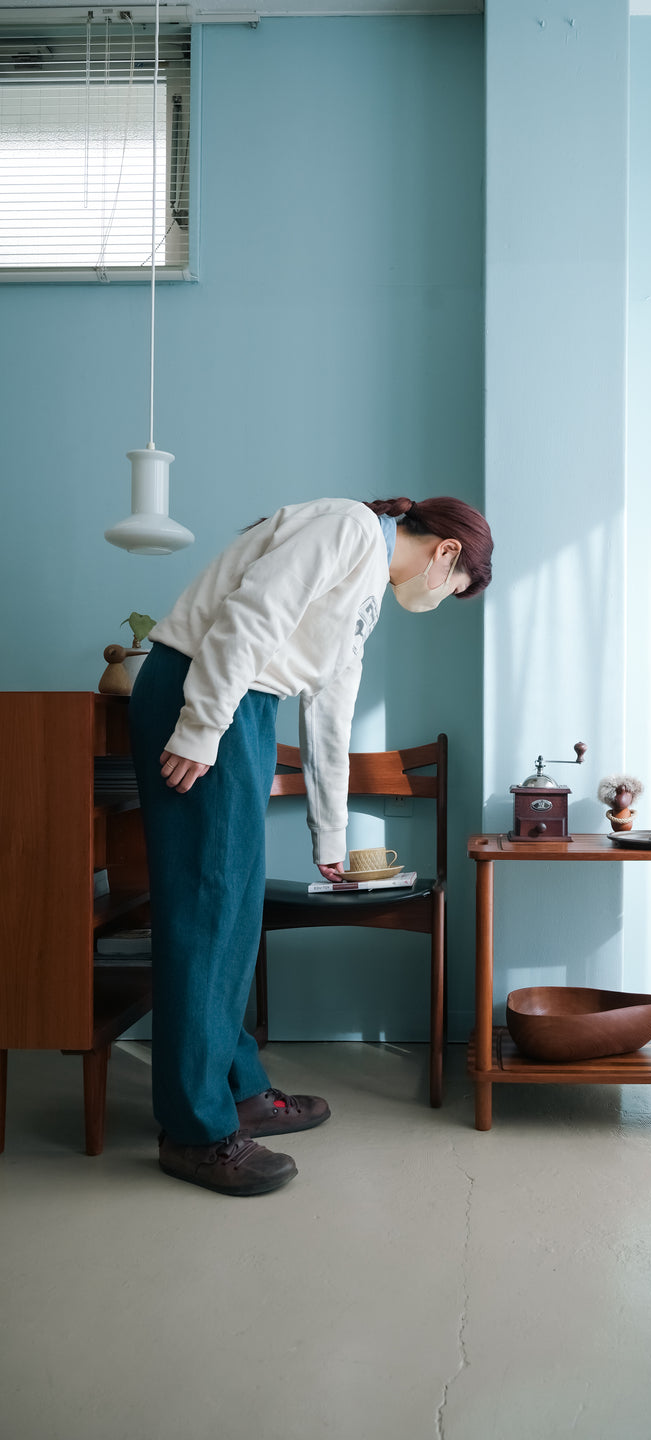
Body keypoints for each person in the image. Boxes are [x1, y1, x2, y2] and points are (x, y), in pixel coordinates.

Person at [129, 496, 493, 1196]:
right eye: (456, 590)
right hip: (207, 687)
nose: (441, 600)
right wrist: (202, 726)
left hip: (244, 702)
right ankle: (194, 1131)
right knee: (207, 912)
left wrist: (332, 833)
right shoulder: (349, 528)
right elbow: (252, 613)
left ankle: (237, 1090)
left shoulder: (365, 589)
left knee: (232, 916)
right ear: (447, 553)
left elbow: (331, 708)